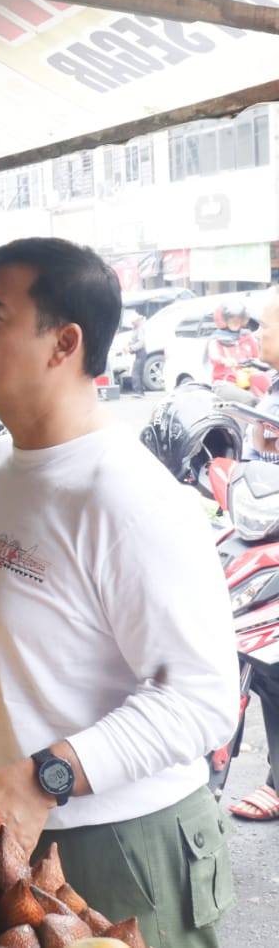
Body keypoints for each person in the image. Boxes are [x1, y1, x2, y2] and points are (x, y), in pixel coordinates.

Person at [0, 238, 239, 948]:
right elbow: (4, 631)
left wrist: (47, 776)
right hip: (4, 836)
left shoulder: (128, 495)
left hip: (116, 846)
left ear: (65, 342)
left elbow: (202, 696)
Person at [231, 285, 279, 822]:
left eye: (266, 325)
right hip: (266, 544)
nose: (258, 334)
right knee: (268, 666)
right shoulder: (270, 394)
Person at [207, 301, 260, 392]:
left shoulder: (247, 336)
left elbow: (257, 356)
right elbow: (214, 356)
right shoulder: (215, 340)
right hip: (226, 382)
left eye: (238, 319)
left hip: (248, 380)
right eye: (231, 319)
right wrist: (224, 361)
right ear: (224, 320)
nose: (235, 322)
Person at [127, 313, 147, 396]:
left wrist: (131, 348)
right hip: (139, 352)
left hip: (141, 352)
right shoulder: (136, 329)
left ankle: (138, 391)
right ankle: (140, 390)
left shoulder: (140, 329)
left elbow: (141, 343)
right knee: (139, 371)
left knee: (136, 372)